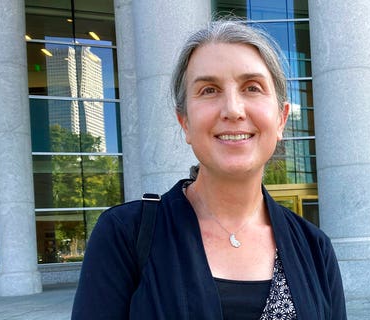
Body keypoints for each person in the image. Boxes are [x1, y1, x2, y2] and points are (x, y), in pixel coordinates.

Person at [72, 20, 347, 319]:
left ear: (280, 119)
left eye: (252, 87)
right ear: (185, 122)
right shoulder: (124, 235)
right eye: (209, 90)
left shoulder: (314, 247)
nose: (232, 109)